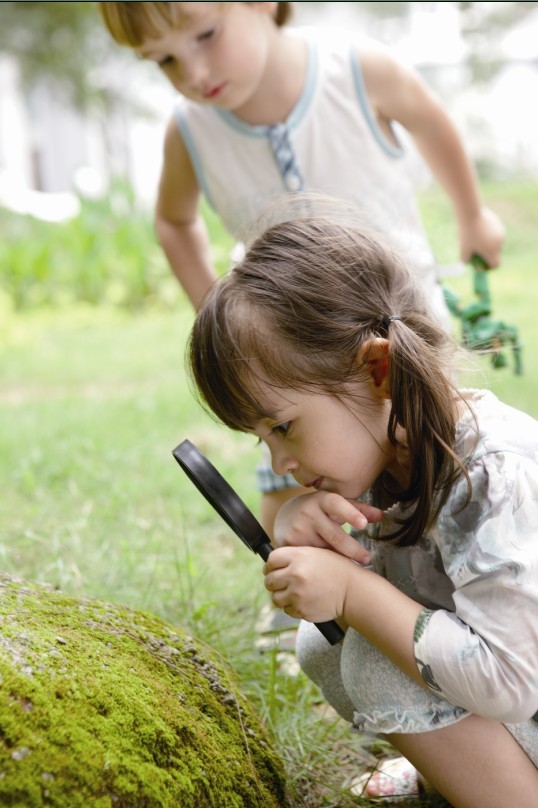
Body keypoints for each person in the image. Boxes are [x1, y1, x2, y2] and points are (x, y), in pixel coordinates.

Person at [97, 2, 506, 543]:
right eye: (164, 60)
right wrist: (224, 319)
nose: (192, 74)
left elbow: (431, 122)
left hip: (392, 326)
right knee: (291, 498)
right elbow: (174, 222)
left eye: (206, 36)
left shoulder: (357, 70)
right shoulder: (189, 131)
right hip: (283, 358)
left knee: (432, 467)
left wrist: (472, 215)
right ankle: (327, 596)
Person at [187, 208, 538, 806]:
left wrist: (352, 593)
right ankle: (453, 776)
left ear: (378, 371)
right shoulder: (382, 455)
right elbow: (413, 609)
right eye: (263, 440)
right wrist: (311, 542)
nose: (279, 464)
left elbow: (510, 679)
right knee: (325, 644)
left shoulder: (495, 475)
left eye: (285, 427)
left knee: (373, 659)